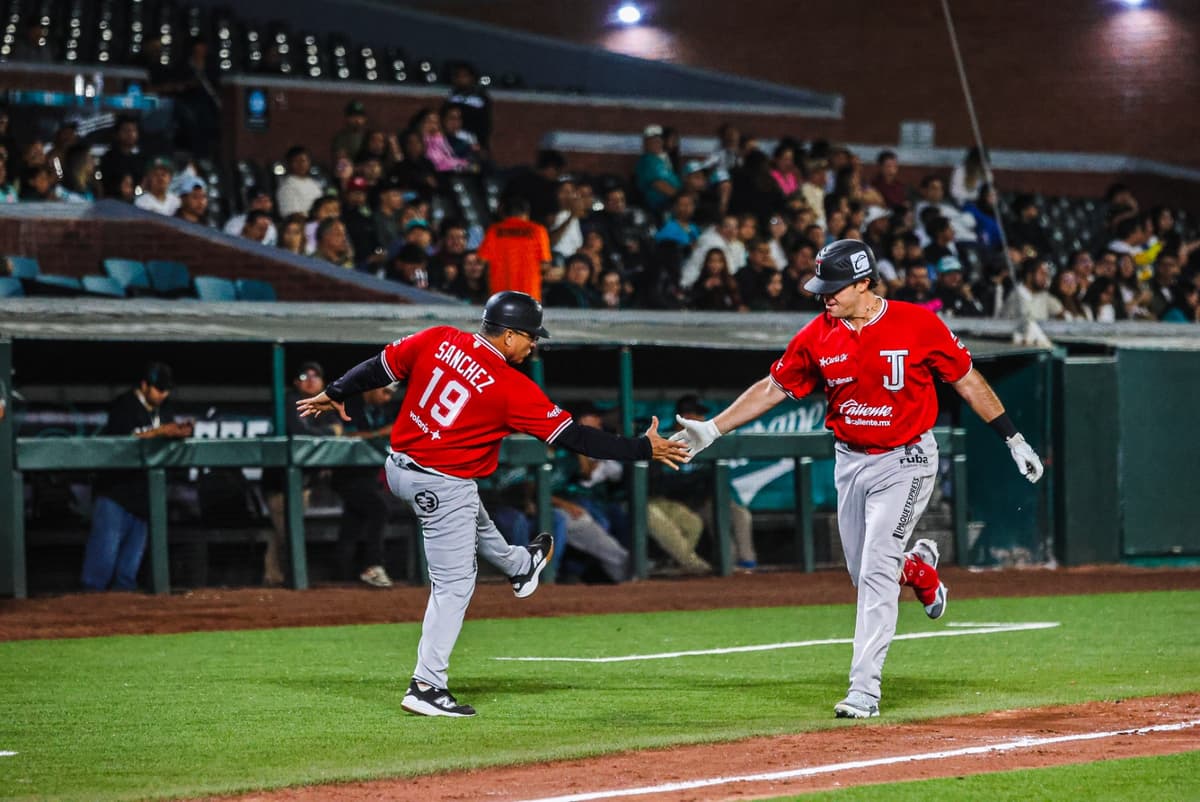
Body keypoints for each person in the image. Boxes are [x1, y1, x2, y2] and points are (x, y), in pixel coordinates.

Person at [670, 240, 1044, 719]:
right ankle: (919, 567)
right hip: (850, 461)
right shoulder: (817, 334)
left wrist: (1012, 438)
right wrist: (714, 427)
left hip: (906, 459)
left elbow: (967, 378)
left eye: (834, 287)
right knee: (863, 573)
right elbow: (773, 387)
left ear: (864, 284)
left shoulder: (917, 323)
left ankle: (864, 689)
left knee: (873, 575)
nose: (824, 296)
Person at [296, 291, 689, 717]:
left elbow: (378, 366)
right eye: (530, 337)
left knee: (472, 511)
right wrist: (641, 449)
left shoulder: (438, 338)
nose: (534, 345)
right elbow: (576, 438)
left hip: (399, 471)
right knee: (454, 586)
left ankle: (520, 565)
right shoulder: (512, 387)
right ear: (508, 336)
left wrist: (337, 390)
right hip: (439, 483)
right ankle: (426, 685)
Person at [82, 363, 193, 591]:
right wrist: (162, 432)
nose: (163, 394)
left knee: (127, 574)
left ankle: (124, 623)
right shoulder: (124, 405)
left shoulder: (166, 409)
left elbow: (169, 435)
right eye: (158, 389)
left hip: (144, 498)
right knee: (100, 569)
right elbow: (123, 442)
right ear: (144, 385)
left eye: (166, 389)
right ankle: (86, 620)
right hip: (115, 495)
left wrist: (180, 432)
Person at [477, 196, 551, 300]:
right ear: (527, 213)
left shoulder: (494, 230)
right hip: (529, 295)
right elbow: (545, 264)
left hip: (500, 296)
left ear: (504, 213)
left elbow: (481, 260)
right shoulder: (538, 231)